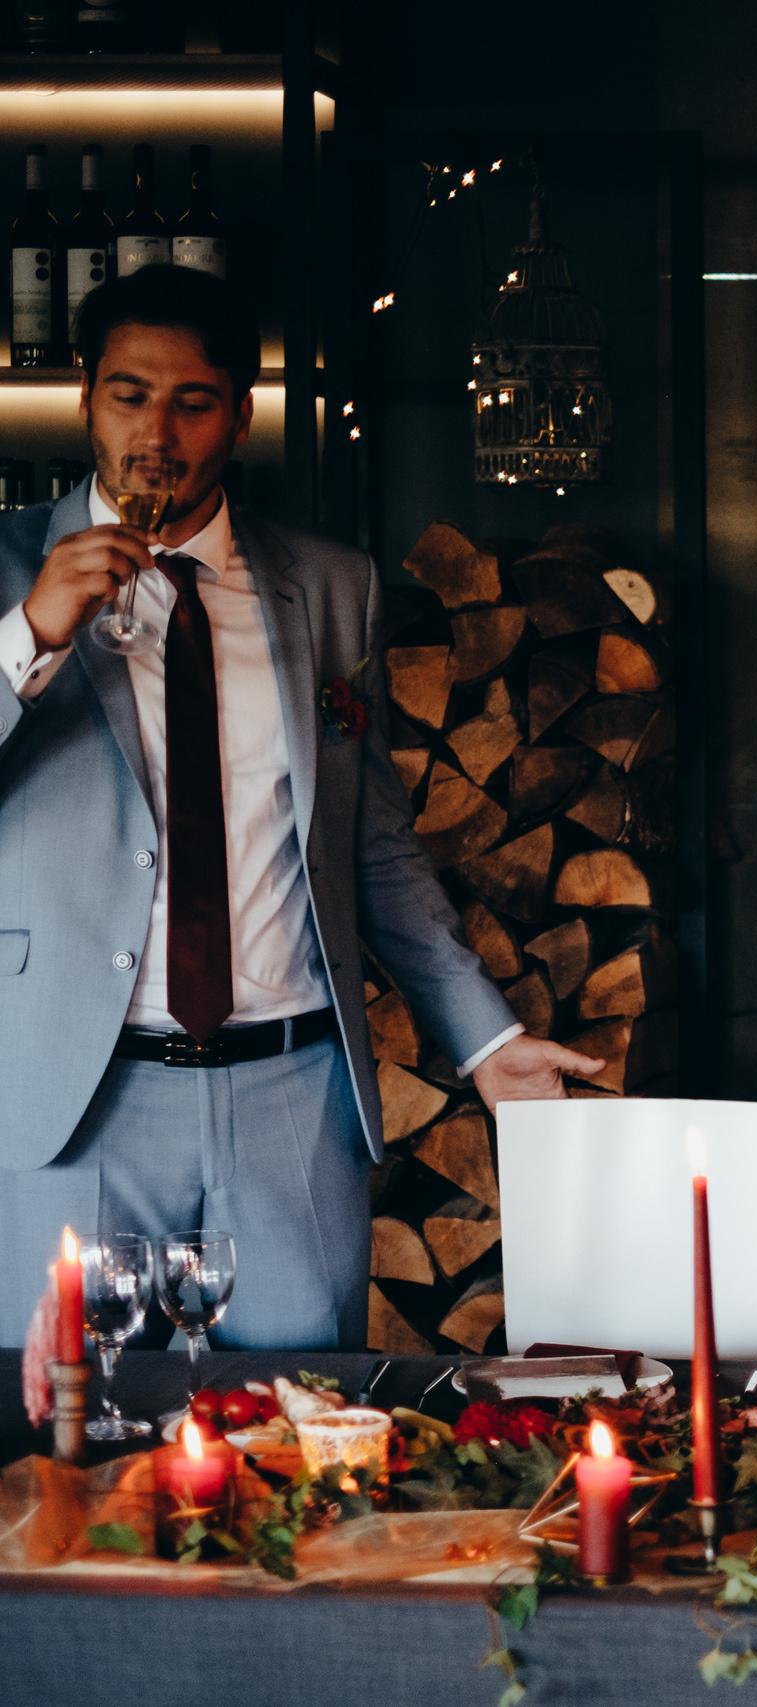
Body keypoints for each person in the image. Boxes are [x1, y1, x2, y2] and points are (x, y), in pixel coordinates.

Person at [0, 266, 598, 1350]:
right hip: (67, 1104)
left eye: (192, 401)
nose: (155, 432)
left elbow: (368, 842)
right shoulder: (3, 571)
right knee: (70, 1446)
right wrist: (28, 637)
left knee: (302, 1429)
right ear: (87, 398)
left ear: (241, 414)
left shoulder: (330, 586)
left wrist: (487, 1039)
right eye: (129, 394)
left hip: (292, 1095)